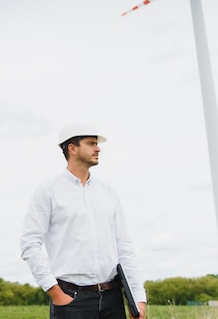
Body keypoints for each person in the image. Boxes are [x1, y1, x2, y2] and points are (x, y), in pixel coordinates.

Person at [20, 121, 147, 319]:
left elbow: (124, 246)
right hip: (71, 300)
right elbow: (29, 244)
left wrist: (138, 296)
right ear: (72, 148)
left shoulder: (108, 192)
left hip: (112, 299)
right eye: (91, 143)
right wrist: (56, 293)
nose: (98, 148)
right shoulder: (48, 191)